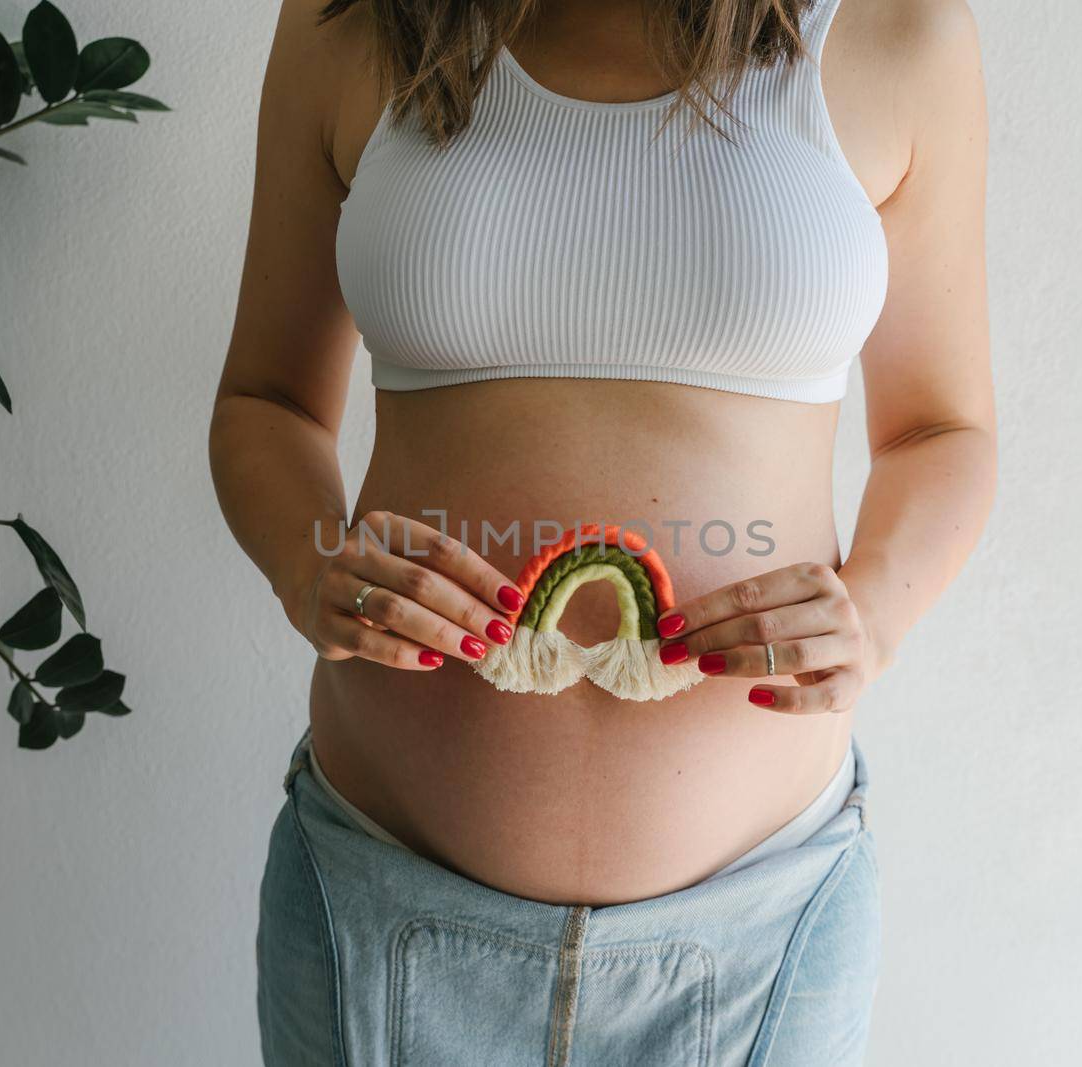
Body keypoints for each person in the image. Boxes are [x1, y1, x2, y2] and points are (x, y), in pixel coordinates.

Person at [208, 0, 994, 1061]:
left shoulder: (894, 31)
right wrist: (306, 564)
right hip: (378, 903)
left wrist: (877, 610)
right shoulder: (350, 22)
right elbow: (267, 399)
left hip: (763, 932)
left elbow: (942, 429)